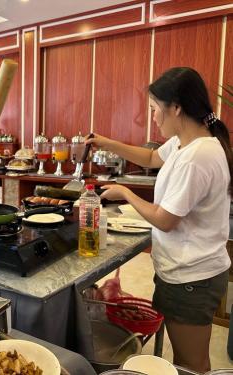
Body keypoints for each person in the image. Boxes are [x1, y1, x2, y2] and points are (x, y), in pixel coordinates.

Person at [86, 67, 232, 373]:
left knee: (191, 365)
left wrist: (125, 193)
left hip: (192, 278)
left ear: (175, 108)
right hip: (183, 272)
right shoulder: (185, 143)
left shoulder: (198, 156)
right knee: (187, 360)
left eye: (154, 110)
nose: (152, 118)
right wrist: (105, 142)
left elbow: (165, 220)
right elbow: (151, 158)